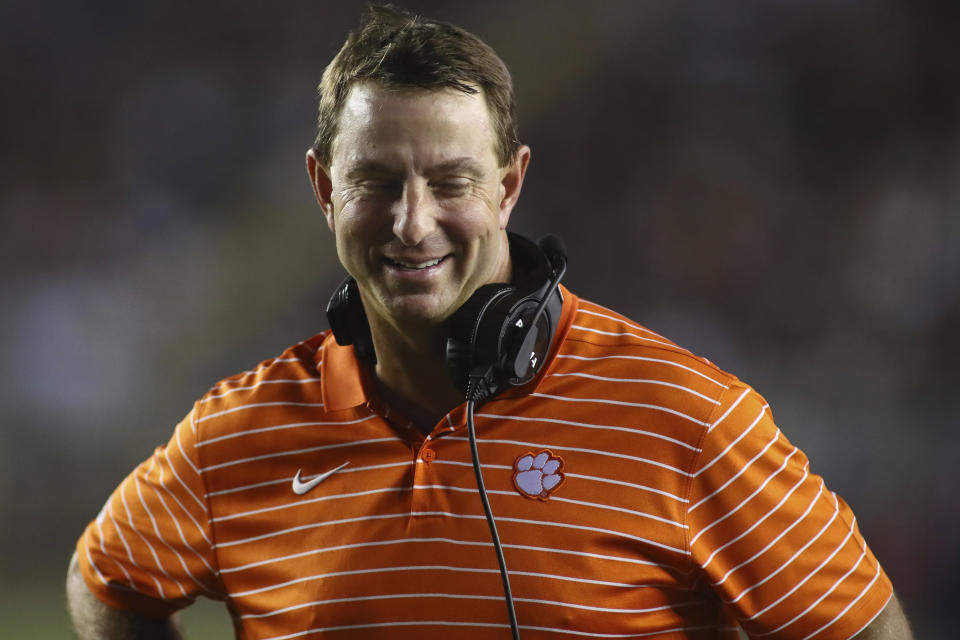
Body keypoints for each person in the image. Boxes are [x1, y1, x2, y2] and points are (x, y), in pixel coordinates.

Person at [67, 5, 913, 639]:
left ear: (510, 187)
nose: (411, 222)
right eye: (377, 182)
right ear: (325, 190)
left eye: (451, 182)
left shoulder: (686, 416)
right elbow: (105, 580)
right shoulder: (235, 435)